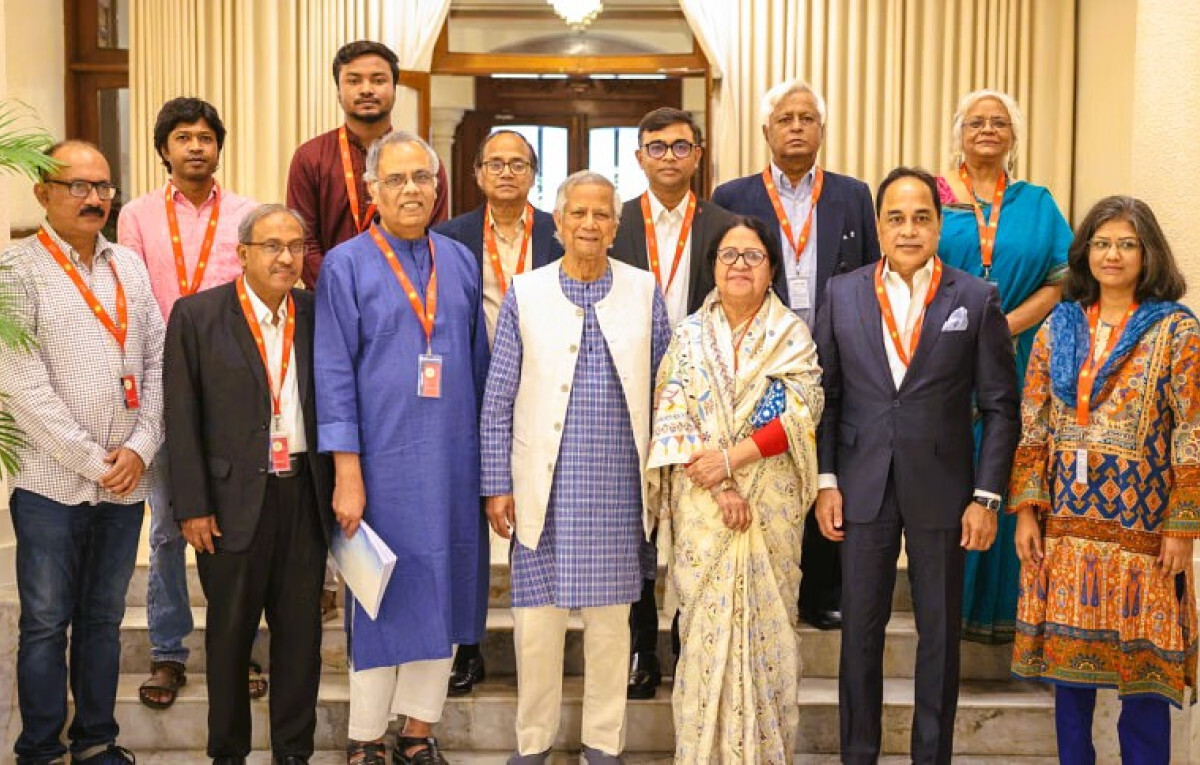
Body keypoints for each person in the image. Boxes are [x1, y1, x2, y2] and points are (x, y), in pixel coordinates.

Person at [813, 167, 1019, 764]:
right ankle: (858, 755)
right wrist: (827, 481)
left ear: (938, 224)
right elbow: (826, 395)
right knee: (860, 637)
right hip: (860, 485)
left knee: (938, 640)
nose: (909, 229)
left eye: (921, 217)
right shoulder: (843, 292)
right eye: (896, 218)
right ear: (878, 225)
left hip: (945, 490)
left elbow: (1001, 407)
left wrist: (986, 497)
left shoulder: (975, 298)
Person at [480, 171, 671, 764]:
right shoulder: (526, 292)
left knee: (614, 628)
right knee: (537, 626)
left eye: (601, 215)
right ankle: (532, 743)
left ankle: (602, 743)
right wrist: (496, 485)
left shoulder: (644, 291)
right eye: (578, 214)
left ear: (616, 227)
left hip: (616, 488)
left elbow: (670, 388)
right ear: (557, 223)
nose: (589, 225)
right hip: (544, 489)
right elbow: (498, 396)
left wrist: (666, 480)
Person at [315, 131, 489, 765]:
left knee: (439, 593)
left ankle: (418, 731)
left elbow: (481, 368)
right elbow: (333, 374)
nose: (411, 189)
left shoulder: (460, 261)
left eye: (421, 177)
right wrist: (347, 473)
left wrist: (490, 471)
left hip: (451, 462)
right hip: (379, 466)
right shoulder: (345, 263)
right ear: (372, 190)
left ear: (439, 186)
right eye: (396, 180)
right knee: (378, 595)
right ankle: (365, 739)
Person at [1009, 196, 1198, 764]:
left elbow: (1192, 430)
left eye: (1126, 244)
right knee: (1070, 685)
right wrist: (1025, 510)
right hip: (1064, 532)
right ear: (1084, 252)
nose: (1112, 255)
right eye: (1101, 243)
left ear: (1148, 254)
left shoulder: (1177, 331)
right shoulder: (1058, 324)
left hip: (1143, 537)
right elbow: (1033, 420)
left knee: (1143, 684)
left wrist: (1183, 527)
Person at [0, 140, 164, 765]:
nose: (95, 198)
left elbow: (157, 362)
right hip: (50, 484)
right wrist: (96, 460)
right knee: (45, 623)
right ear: (43, 193)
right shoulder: (16, 271)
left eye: (103, 186)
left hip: (126, 483)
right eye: (78, 186)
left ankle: (96, 740)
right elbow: (22, 385)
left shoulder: (129, 267)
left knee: (102, 620)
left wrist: (142, 447)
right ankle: (39, 749)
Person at [646, 215, 823, 763]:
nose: (739, 265)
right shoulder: (689, 337)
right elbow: (673, 408)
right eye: (729, 255)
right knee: (703, 633)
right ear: (714, 267)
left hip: (768, 504)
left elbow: (799, 409)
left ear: (772, 269)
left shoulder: (790, 335)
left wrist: (735, 458)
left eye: (752, 256)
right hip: (705, 503)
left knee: (768, 635)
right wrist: (721, 479)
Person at [164, 204, 334, 764]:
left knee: (300, 639)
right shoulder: (197, 315)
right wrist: (192, 506)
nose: (286, 257)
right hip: (230, 502)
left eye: (295, 246)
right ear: (243, 254)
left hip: (303, 497)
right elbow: (181, 418)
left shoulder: (316, 312)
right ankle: (228, 752)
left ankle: (293, 751)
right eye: (272, 246)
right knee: (230, 638)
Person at [712, 78, 880, 631]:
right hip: (764, 357)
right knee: (771, 464)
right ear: (766, 131)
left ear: (822, 130)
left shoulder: (852, 194)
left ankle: (824, 590)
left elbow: (871, 278)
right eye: (785, 119)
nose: (797, 127)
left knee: (827, 466)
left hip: (837, 352)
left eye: (807, 118)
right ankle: (763, 577)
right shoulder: (733, 197)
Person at [117, 96, 265, 709]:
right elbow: (128, 292)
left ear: (219, 147)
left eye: (206, 136)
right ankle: (169, 651)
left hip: (235, 388)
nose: (196, 146)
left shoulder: (248, 214)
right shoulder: (136, 215)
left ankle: (241, 648)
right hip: (163, 382)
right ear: (164, 150)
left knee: (244, 528)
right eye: (184, 137)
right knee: (169, 531)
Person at [935, 89, 1073, 644]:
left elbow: (1063, 281)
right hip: (945, 356)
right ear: (959, 134)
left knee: (1015, 466)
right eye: (976, 122)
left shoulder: (1037, 202)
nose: (987, 130)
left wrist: (1003, 326)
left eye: (999, 122)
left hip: (1020, 358)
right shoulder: (936, 197)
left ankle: (1011, 614)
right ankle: (947, 609)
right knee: (953, 470)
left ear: (1014, 136)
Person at [609, 105, 734, 699]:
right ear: (640, 158)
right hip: (626, 392)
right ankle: (640, 646)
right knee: (636, 526)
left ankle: (687, 635)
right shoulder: (613, 221)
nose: (668, 157)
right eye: (655, 147)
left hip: (705, 398)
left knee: (692, 523)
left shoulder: (727, 225)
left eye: (680, 147)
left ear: (698, 155)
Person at [433, 128, 563, 695]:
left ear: (533, 175)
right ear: (478, 175)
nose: (507, 172)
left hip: (543, 393)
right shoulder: (448, 237)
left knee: (538, 515)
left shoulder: (560, 235)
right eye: (496, 164)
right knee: (468, 526)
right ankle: (468, 645)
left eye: (518, 163)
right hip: (469, 391)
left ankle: (543, 642)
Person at [287, 40, 449, 289]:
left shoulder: (424, 161)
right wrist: (340, 290)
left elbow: (434, 237)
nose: (366, 89)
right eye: (353, 81)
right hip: (329, 296)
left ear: (394, 88)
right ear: (338, 90)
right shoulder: (310, 157)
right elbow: (303, 241)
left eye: (378, 80)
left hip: (407, 297)